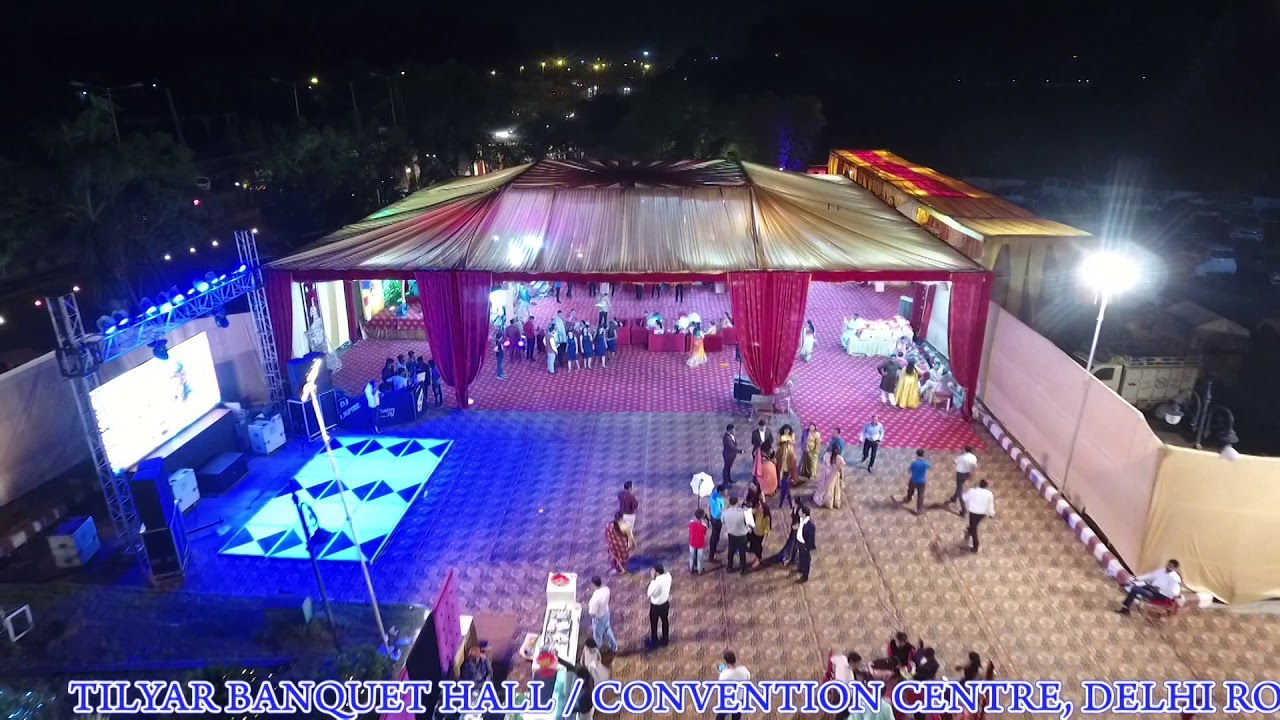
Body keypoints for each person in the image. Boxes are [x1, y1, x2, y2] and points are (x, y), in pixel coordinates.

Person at [1116, 559, 1183, 614]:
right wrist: (1137, 578)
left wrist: (1160, 590)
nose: (1168, 567)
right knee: (1135, 585)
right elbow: (1150, 576)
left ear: (1175, 569)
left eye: (1170, 567)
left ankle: (1126, 607)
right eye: (1168, 565)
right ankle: (1126, 607)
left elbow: (1174, 593)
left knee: (1135, 589)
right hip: (1152, 588)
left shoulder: (1175, 578)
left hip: (1160, 595)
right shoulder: (1162, 570)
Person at [586, 575, 619, 652]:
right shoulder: (606, 589)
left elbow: (592, 613)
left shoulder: (595, 598)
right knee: (607, 629)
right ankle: (614, 646)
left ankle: (597, 649)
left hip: (598, 618)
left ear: (593, 584)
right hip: (606, 613)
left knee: (598, 635)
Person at [961, 479, 995, 553]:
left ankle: (975, 546)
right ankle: (969, 529)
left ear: (979, 484)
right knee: (974, 524)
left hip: (973, 512)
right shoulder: (989, 493)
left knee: (974, 529)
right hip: (982, 513)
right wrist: (991, 513)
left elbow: (964, 497)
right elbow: (990, 504)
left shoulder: (972, 491)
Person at [715, 651, 751, 720]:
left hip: (728, 701)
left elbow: (720, 688)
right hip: (740, 699)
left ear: (725, 661)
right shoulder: (744, 670)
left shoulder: (724, 675)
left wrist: (723, 672)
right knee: (736, 717)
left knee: (720, 717)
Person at [721, 497, 751, 575]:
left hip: (731, 534)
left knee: (731, 551)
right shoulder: (743, 512)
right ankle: (743, 569)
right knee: (742, 552)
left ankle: (729, 566)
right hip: (742, 535)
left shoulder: (725, 513)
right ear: (737, 503)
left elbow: (722, 522)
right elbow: (749, 523)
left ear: (729, 503)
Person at [646, 564, 671, 648]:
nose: (651, 572)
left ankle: (654, 641)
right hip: (665, 603)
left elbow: (649, 593)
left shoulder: (656, 582)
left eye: (652, 571)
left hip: (656, 606)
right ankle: (665, 639)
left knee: (654, 624)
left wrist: (653, 580)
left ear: (656, 573)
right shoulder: (668, 576)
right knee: (665, 621)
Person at [900, 449, 930, 515]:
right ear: (923, 454)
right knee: (920, 495)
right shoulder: (926, 463)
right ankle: (919, 510)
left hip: (913, 480)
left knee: (910, 490)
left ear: (917, 455)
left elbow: (909, 470)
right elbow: (928, 467)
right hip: (922, 481)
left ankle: (908, 499)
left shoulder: (914, 463)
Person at [950, 446, 979, 512]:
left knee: (960, 489)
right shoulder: (973, 457)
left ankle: (964, 508)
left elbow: (955, 461)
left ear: (965, 449)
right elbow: (974, 467)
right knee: (959, 485)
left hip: (960, 474)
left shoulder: (962, 457)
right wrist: (973, 475)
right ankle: (954, 497)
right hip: (967, 473)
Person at [747, 499, 771, 568]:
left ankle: (758, 559)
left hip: (760, 535)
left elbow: (766, 530)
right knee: (755, 547)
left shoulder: (766, 518)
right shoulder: (757, 512)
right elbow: (750, 511)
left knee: (758, 548)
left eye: (760, 507)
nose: (759, 507)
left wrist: (764, 540)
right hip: (754, 532)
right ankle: (757, 557)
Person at [795, 506, 816, 582]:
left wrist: (806, 547)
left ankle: (805, 576)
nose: (798, 512)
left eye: (800, 511)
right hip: (800, 542)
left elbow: (811, 538)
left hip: (805, 545)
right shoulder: (801, 519)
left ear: (804, 514)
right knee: (800, 557)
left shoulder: (810, 526)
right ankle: (801, 568)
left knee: (806, 560)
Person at [707, 485, 726, 562]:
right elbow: (719, 512)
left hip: (712, 516)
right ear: (720, 492)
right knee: (715, 537)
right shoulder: (718, 500)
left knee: (715, 535)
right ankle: (711, 556)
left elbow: (709, 505)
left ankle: (714, 549)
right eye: (724, 491)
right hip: (717, 519)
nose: (726, 492)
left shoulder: (714, 494)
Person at [688, 508, 708, 574]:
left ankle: (691, 569)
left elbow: (690, 531)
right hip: (700, 543)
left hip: (692, 542)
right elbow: (705, 533)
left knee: (691, 556)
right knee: (700, 558)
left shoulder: (691, 524)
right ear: (702, 517)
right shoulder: (704, 526)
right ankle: (700, 571)